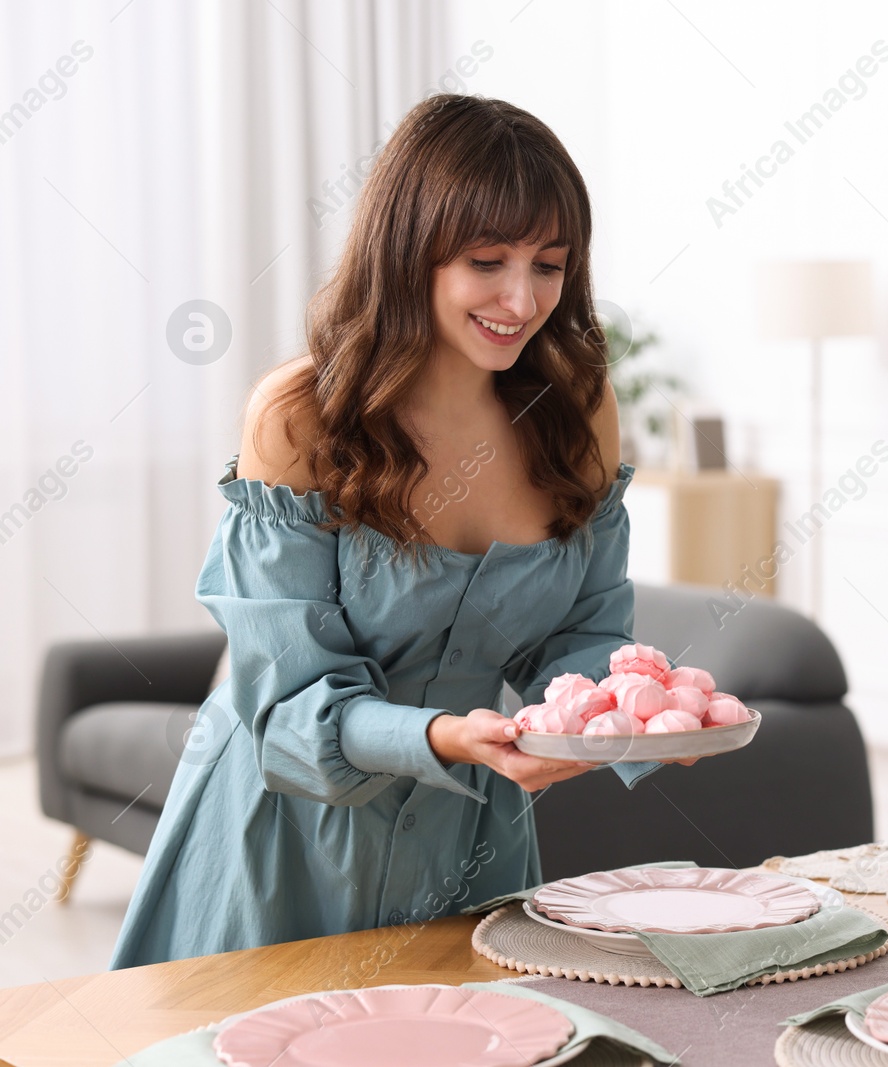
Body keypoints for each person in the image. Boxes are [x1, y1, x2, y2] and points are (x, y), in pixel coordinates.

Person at [111, 94, 679, 968]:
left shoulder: (574, 410)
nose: (521, 298)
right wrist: (443, 736)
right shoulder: (300, 414)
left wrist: (626, 719)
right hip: (284, 836)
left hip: (468, 840)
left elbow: (587, 636)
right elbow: (287, 705)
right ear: (409, 251)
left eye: (551, 265)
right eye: (487, 260)